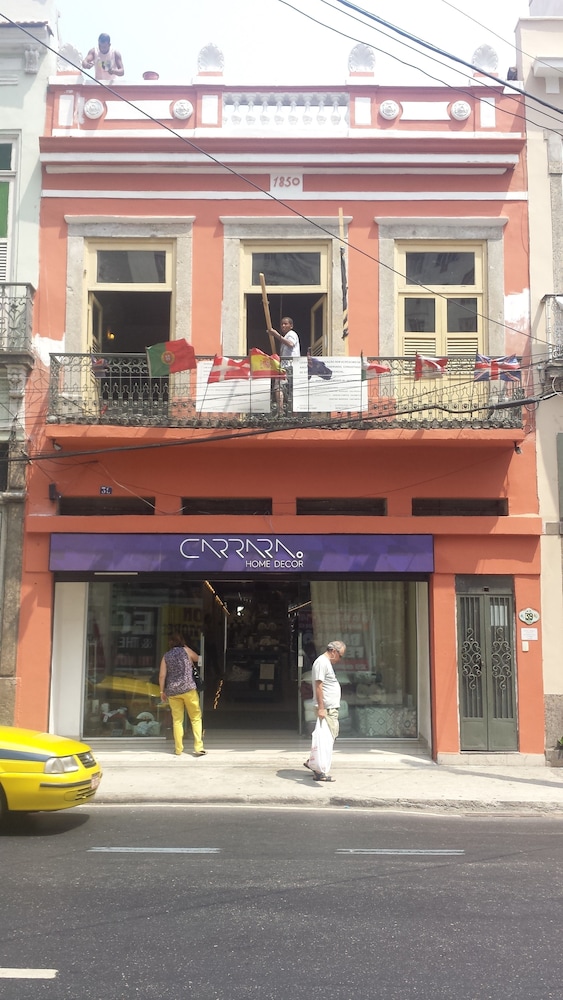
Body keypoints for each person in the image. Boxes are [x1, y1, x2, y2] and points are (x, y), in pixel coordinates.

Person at [304, 640, 346, 782]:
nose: (340, 659)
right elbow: (318, 686)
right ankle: (319, 771)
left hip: (329, 707)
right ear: (334, 651)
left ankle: (313, 763)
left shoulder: (324, 662)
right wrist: (321, 708)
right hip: (326, 708)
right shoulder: (322, 662)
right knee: (326, 739)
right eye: (340, 655)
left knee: (325, 737)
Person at [158, 632, 206, 757]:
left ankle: (178, 749)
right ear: (182, 641)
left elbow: (162, 675)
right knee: (195, 718)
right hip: (188, 689)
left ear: (170, 643)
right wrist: (187, 649)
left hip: (173, 692)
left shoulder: (166, 656)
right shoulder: (186, 651)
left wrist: (162, 691)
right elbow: (198, 659)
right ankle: (198, 747)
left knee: (177, 720)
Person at [267, 317, 300, 413]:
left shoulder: (291, 334)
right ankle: (285, 410)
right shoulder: (286, 336)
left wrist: (276, 335)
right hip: (286, 366)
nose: (283, 326)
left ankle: (281, 411)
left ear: (291, 326)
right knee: (286, 389)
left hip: (289, 366)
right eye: (282, 324)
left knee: (279, 387)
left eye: (285, 324)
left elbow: (290, 344)